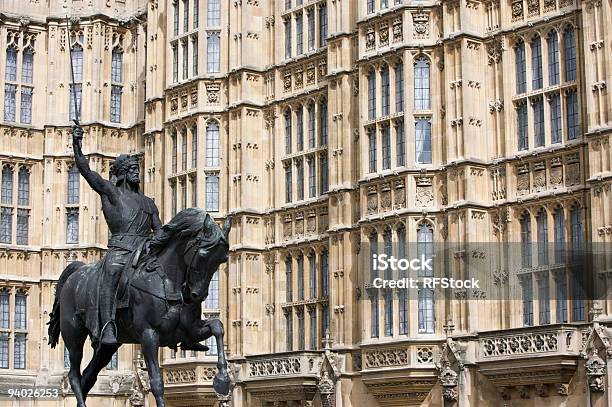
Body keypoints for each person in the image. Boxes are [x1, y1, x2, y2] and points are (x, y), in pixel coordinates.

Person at [72, 125, 164, 346]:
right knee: (111, 271)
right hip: (120, 251)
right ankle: (107, 326)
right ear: (122, 172)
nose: (136, 172)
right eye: (132, 168)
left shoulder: (148, 203)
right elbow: (87, 172)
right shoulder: (112, 193)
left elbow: (159, 231)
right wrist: (77, 145)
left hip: (144, 253)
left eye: (137, 168)